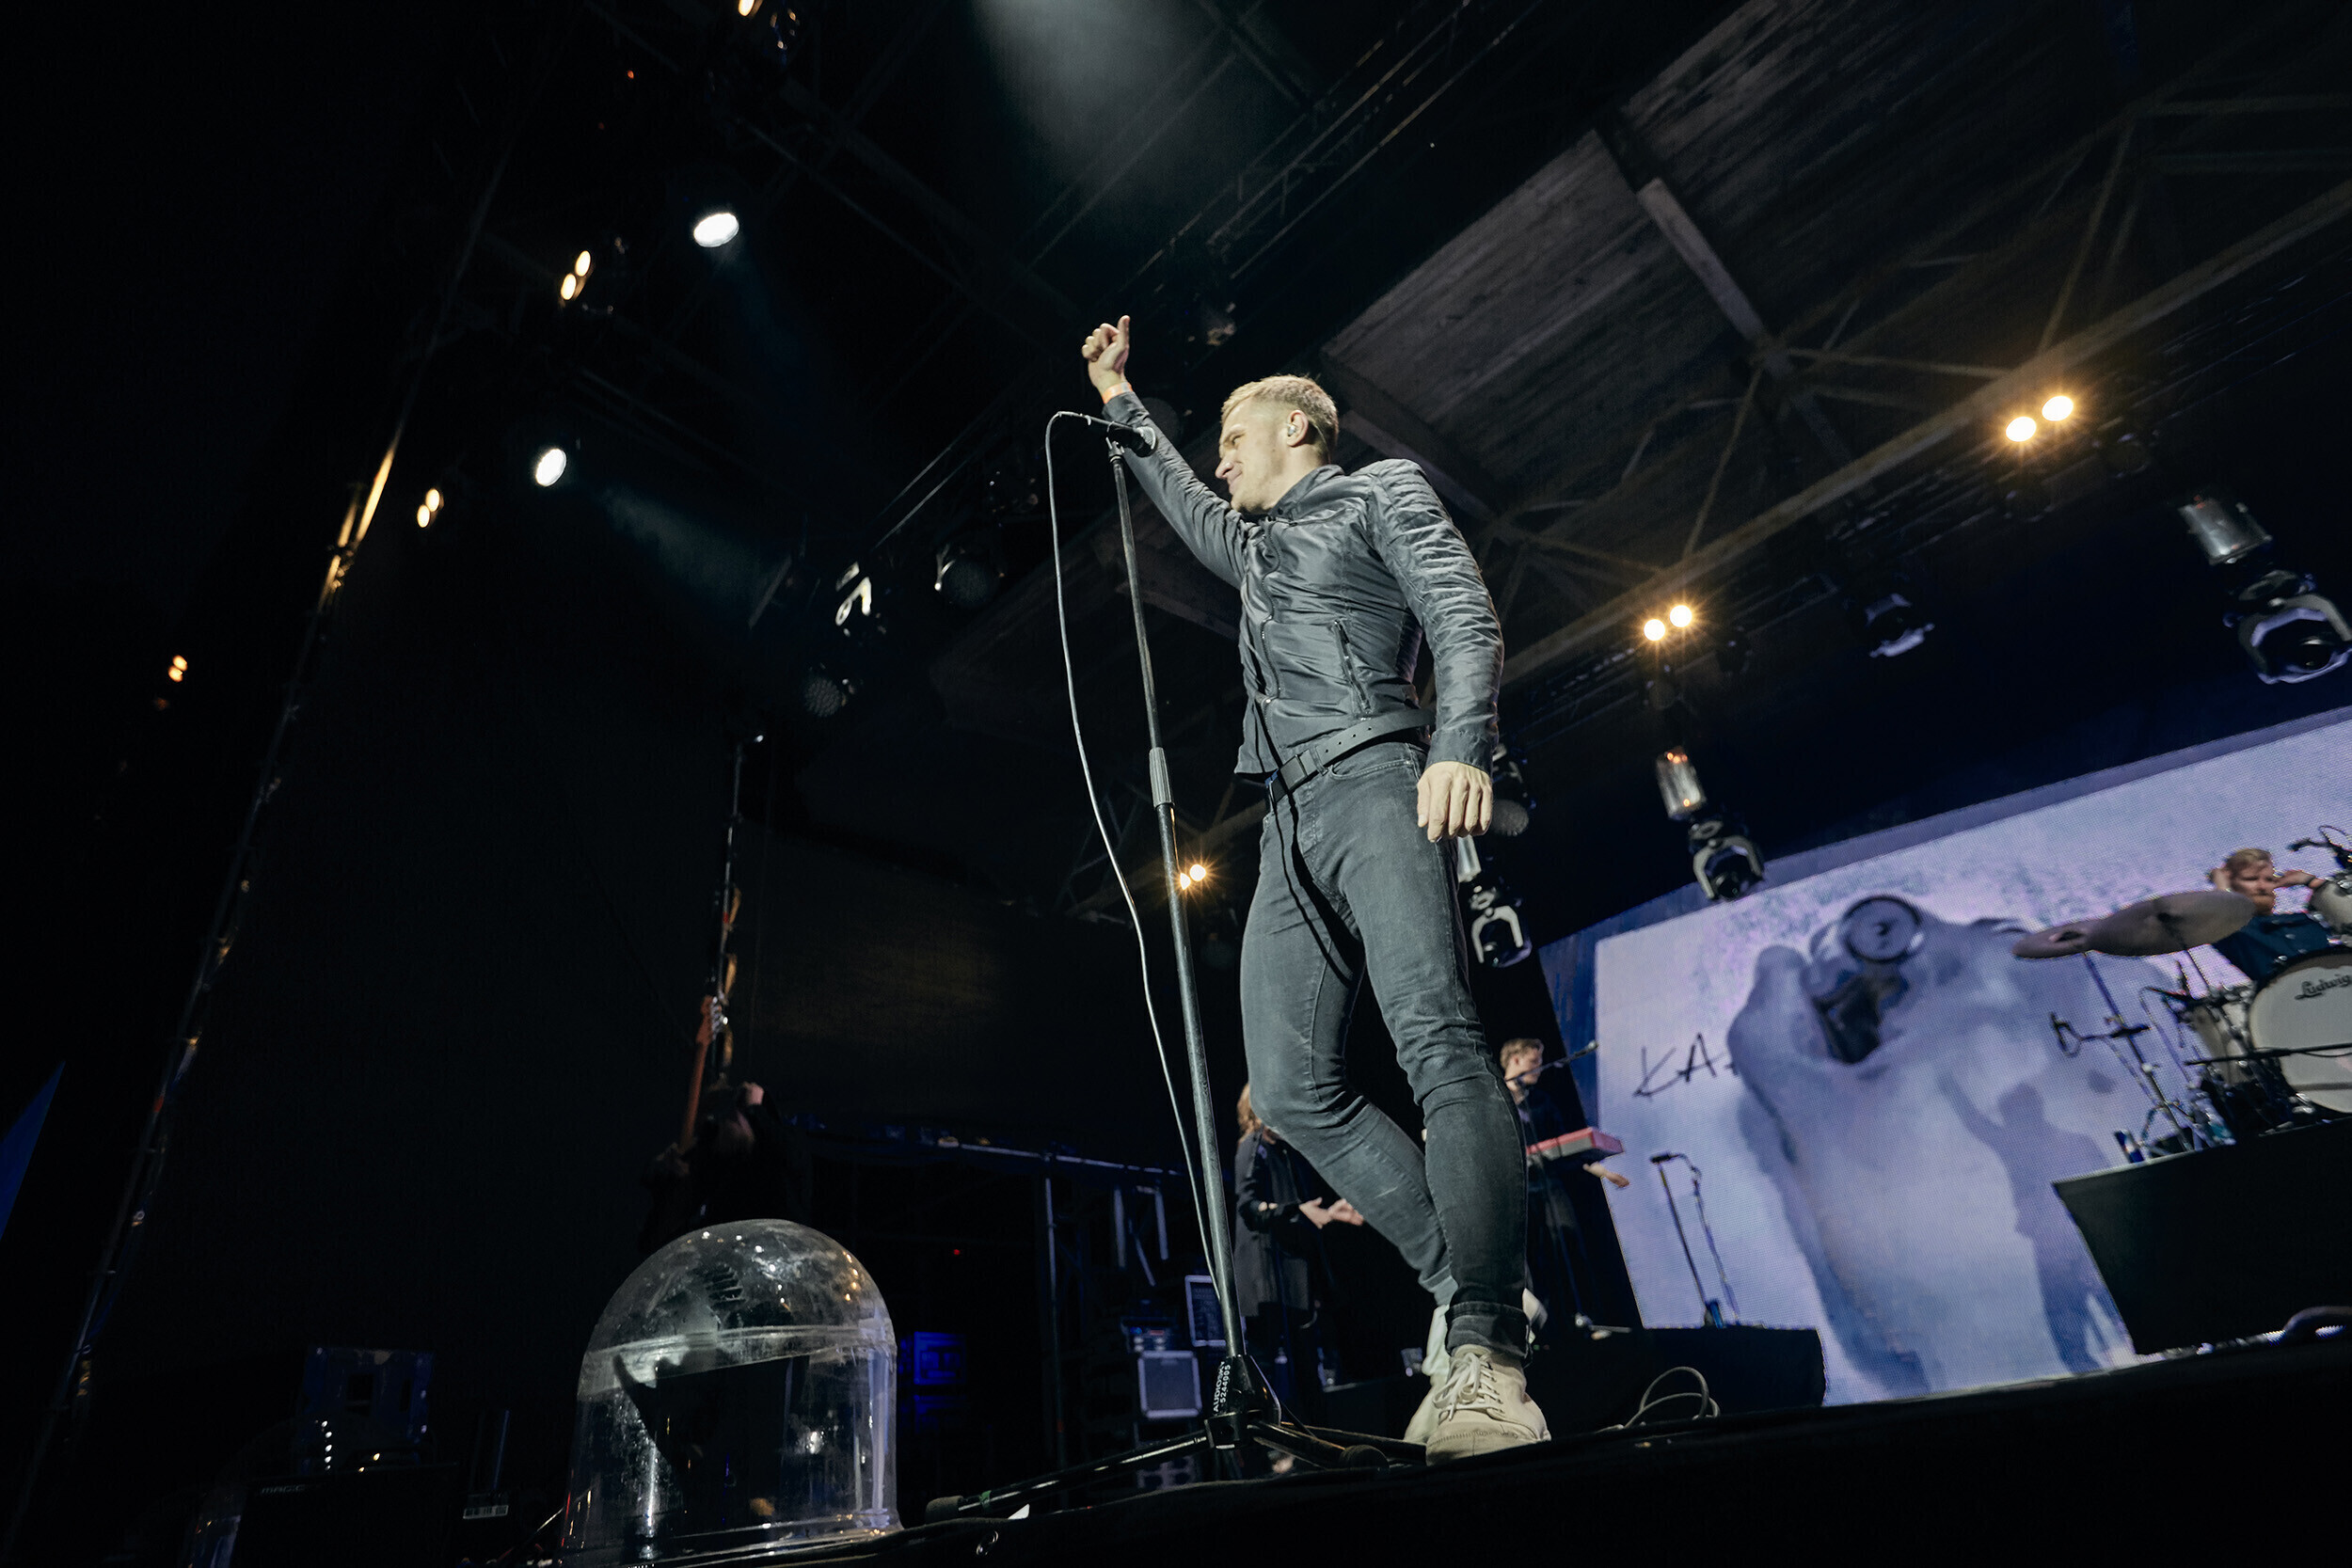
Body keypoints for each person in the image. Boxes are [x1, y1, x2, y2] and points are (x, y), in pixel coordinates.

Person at [1082, 314, 1543, 1459]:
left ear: (1296, 426)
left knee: (1435, 1036)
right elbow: (1181, 499)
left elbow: (1461, 612)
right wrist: (1118, 401)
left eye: (1233, 438)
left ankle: (1488, 1347)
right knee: (1287, 1087)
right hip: (1284, 820)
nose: (1220, 459)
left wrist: (1460, 744)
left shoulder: (1379, 491)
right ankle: (1467, 1285)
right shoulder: (1251, 545)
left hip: (1379, 773)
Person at [1232, 1084, 1364, 1419]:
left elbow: (1300, 1209)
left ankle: (1316, 1436)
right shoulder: (1253, 1147)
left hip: (1294, 1278)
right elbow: (1248, 1207)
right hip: (1265, 1277)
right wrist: (1296, 1211)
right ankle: (1263, 1438)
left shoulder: (1286, 1153)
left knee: (1307, 1367)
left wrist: (1329, 1213)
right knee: (1264, 1364)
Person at [638, 1080, 807, 1253]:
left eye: (739, 1110)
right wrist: (671, 1183)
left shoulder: (776, 1166)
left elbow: (788, 1158)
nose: (729, 1118)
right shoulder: (715, 1181)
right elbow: (658, 1242)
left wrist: (755, 1109)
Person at [2207, 847, 2335, 983]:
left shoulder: (2304, 919)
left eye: (2269, 880)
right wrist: (2222, 889)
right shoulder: (2234, 930)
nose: (2263, 887)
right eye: (2251, 879)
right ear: (2231, 884)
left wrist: (2311, 882)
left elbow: (2345, 913)